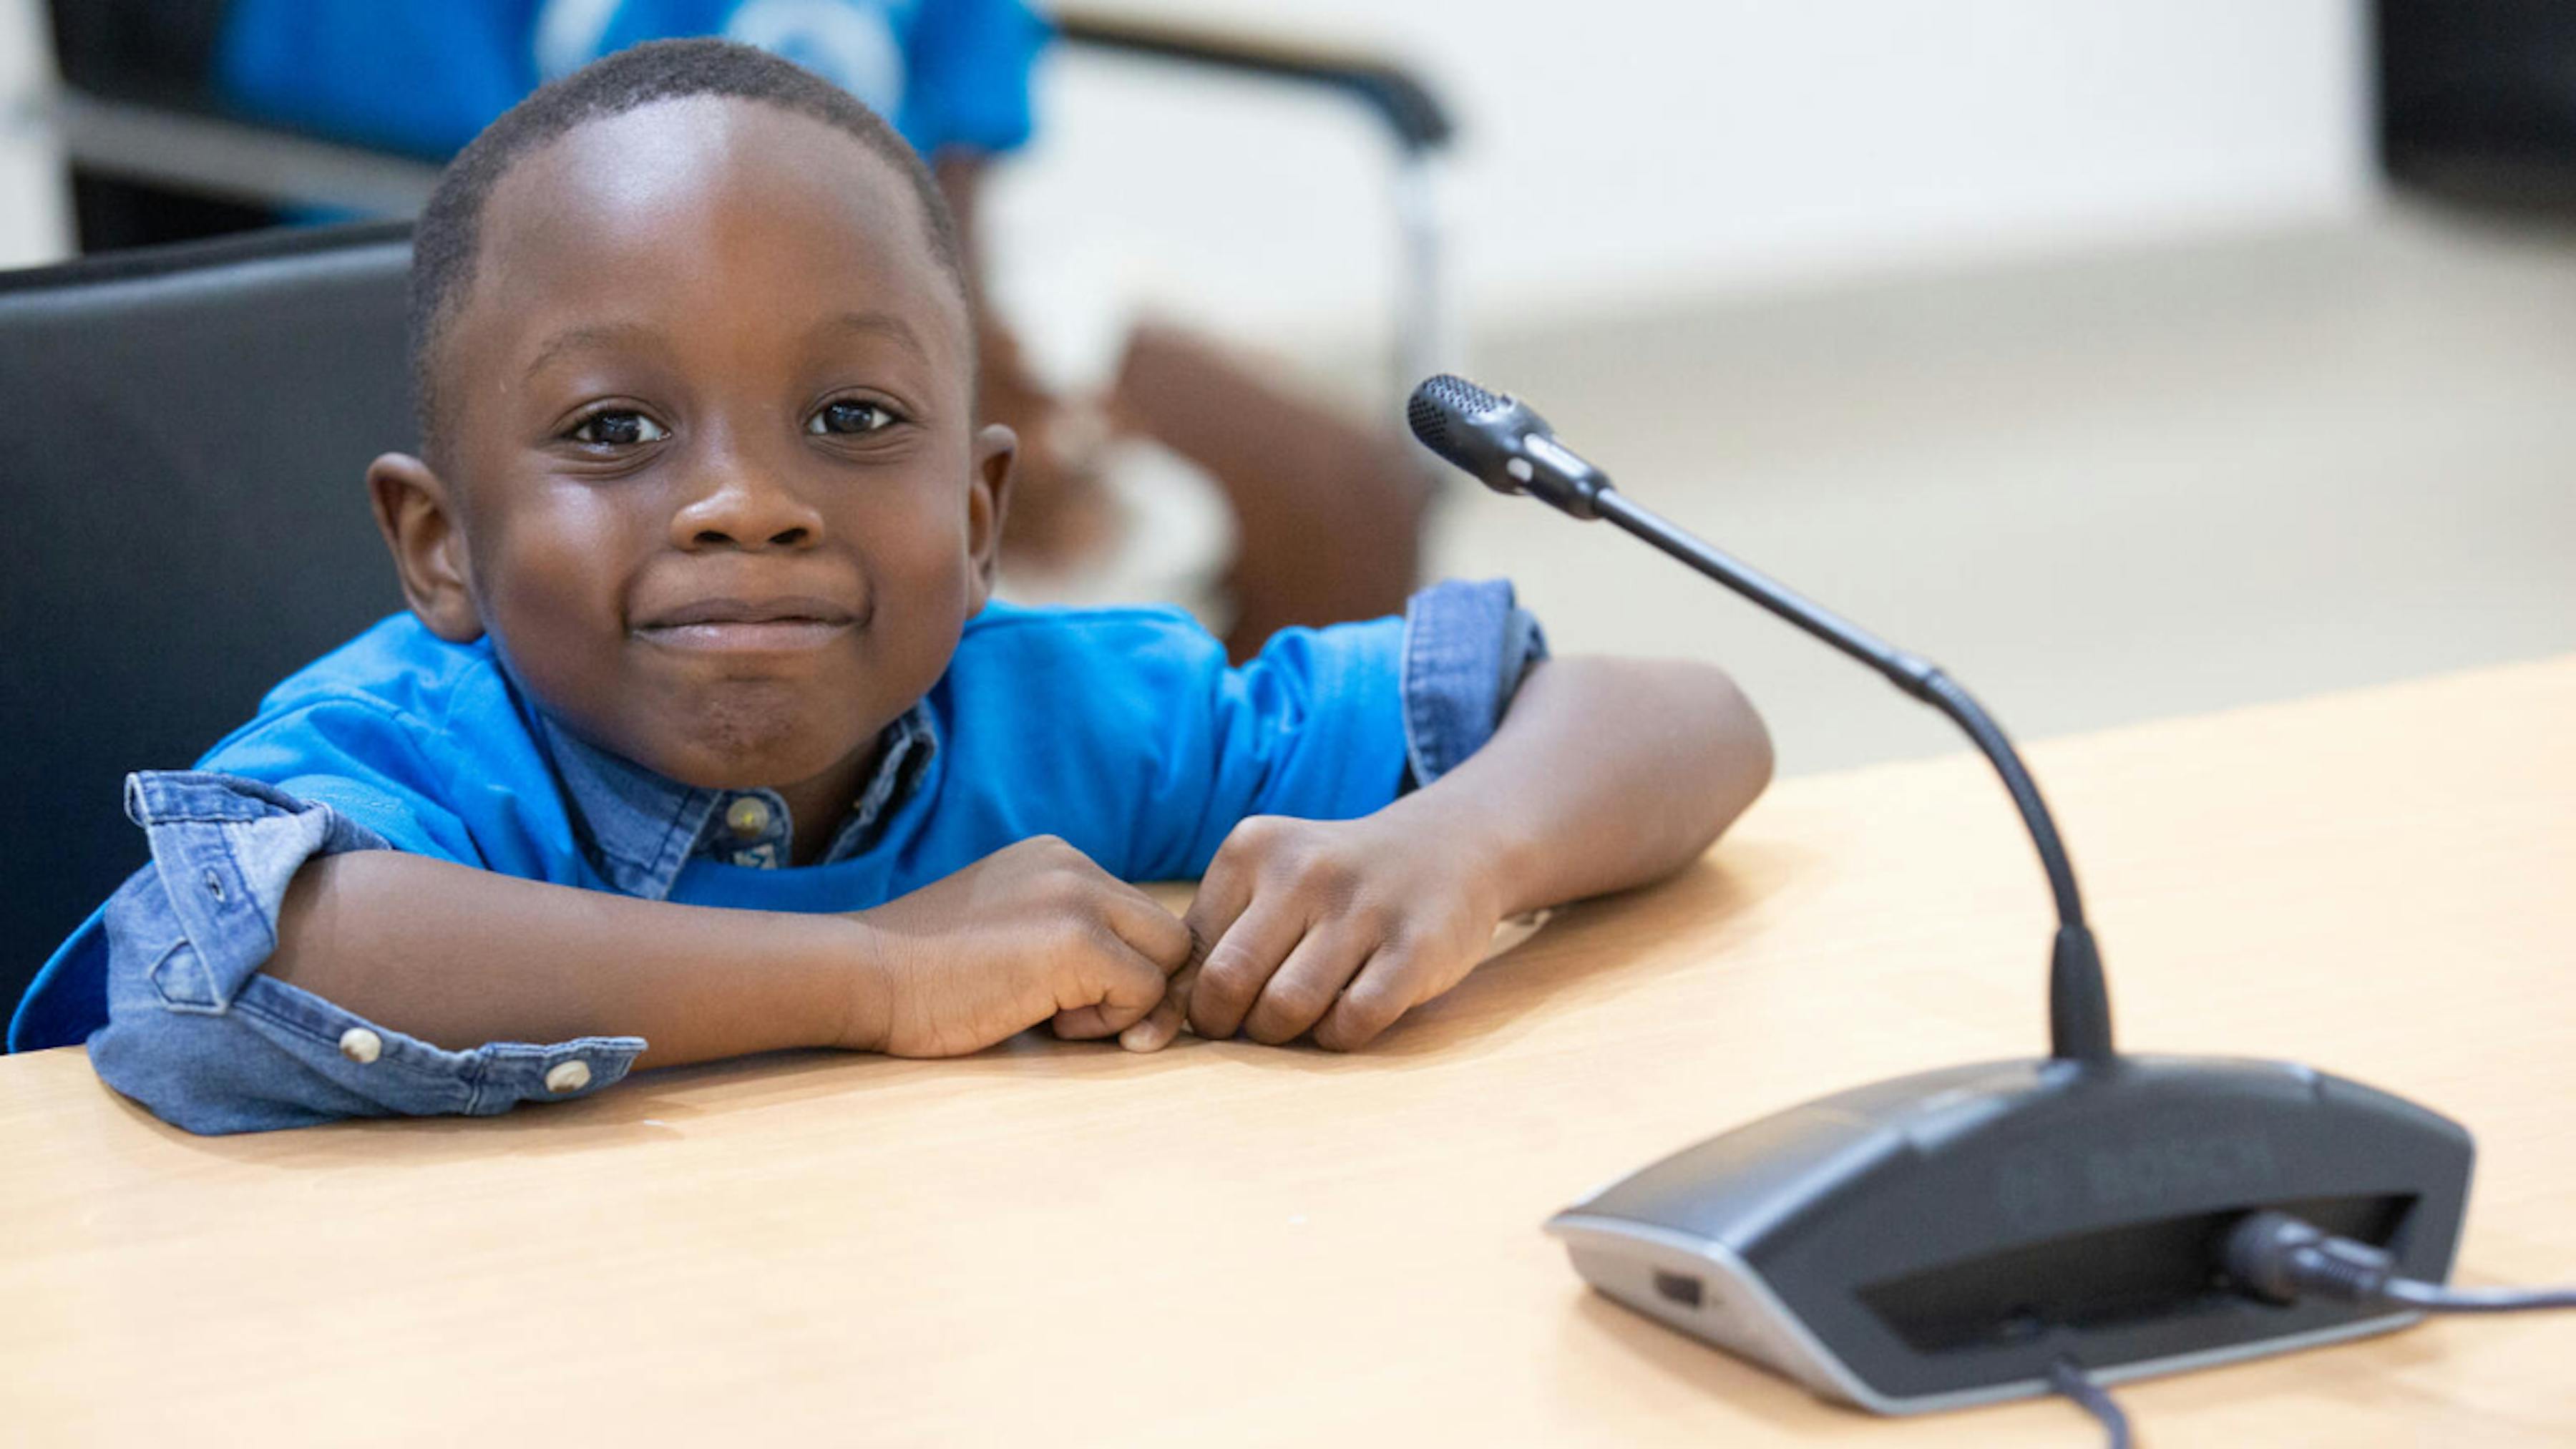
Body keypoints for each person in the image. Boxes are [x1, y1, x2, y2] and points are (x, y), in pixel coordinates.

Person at [7, 40, 1772, 1134]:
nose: (747, 504)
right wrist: (871, 968)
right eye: (616, 428)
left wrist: (1460, 852)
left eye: (853, 418)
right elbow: (231, 959)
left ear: (982, 506)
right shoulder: (427, 752)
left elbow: (1680, 716)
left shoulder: (1075, 708)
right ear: (439, 546)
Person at [209, 0, 1432, 654]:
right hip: (583, 324)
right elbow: (446, 234)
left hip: (919, 280)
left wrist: (963, 375)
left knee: (1344, 493)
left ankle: (1276, 927)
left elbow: (954, 150)